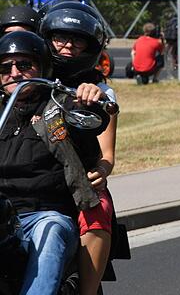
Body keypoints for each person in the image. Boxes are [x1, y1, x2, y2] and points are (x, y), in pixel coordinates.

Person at [0, 30, 107, 294]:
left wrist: (90, 99)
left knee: (51, 229)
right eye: (5, 67)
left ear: (42, 67)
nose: (14, 72)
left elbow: (91, 120)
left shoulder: (58, 105)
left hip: (44, 215)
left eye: (24, 65)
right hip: (3, 215)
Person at [38, 0, 117, 295]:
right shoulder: (30, 81)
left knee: (97, 211)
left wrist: (100, 170)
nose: (68, 46)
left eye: (78, 40)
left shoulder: (99, 92)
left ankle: (86, 290)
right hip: (29, 178)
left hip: (75, 182)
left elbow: (107, 155)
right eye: (60, 38)